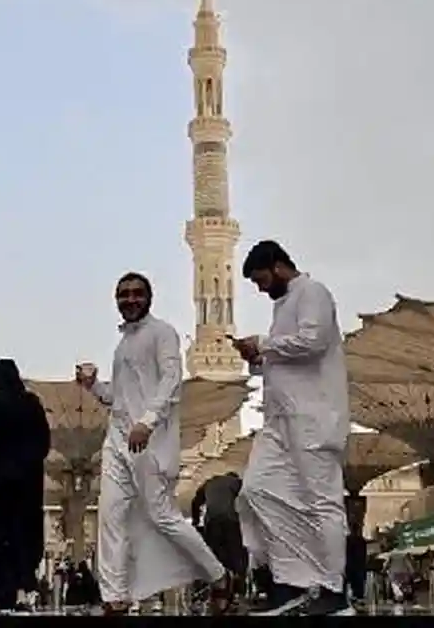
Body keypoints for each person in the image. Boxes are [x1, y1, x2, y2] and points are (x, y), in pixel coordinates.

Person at [77, 271, 227, 615]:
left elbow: (172, 382)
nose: (130, 300)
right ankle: (114, 597)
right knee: (111, 516)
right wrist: (94, 385)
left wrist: (147, 422)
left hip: (149, 443)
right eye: (123, 294)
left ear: (149, 297)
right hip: (117, 440)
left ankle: (219, 576)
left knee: (162, 517)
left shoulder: (162, 334)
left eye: (136, 293)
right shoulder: (123, 344)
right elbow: (120, 398)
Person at [232, 240, 352, 616]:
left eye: (261, 278)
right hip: (280, 421)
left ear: (278, 266)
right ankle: (295, 582)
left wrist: (264, 344)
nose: (260, 287)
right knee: (258, 490)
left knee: (322, 502)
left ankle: (333, 591)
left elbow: (313, 341)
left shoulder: (312, 292)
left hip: (313, 419)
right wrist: (256, 357)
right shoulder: (283, 307)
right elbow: (284, 358)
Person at [0, 357, 52, 611]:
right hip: (26, 488)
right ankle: (21, 591)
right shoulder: (31, 405)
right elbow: (43, 444)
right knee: (23, 539)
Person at [191, 472, 247, 611]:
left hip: (212, 521)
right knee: (236, 553)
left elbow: (196, 502)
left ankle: (217, 583)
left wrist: (196, 521)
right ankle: (238, 589)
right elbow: (247, 501)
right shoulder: (237, 483)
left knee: (214, 554)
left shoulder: (210, 481)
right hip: (231, 520)